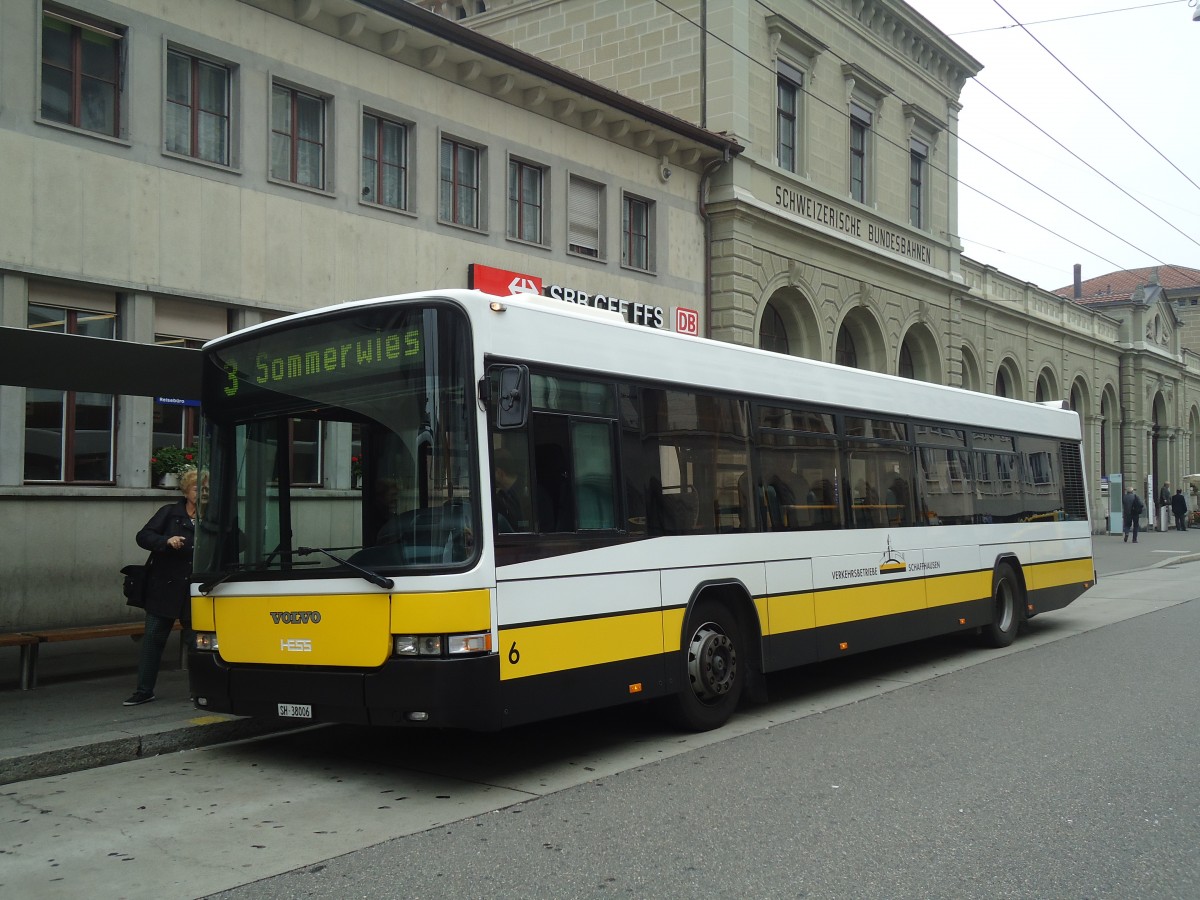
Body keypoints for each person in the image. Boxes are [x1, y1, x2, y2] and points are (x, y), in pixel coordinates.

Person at [124, 467, 197, 706]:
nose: (202, 493)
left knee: (196, 642)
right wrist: (166, 541)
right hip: (164, 587)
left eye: (207, 490)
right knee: (153, 640)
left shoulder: (214, 517)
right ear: (186, 491)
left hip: (194, 591)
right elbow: (143, 536)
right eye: (198, 488)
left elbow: (238, 539)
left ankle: (200, 689)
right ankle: (144, 690)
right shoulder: (169, 513)